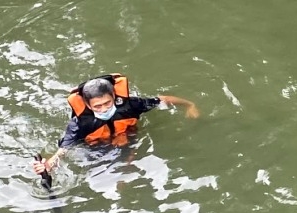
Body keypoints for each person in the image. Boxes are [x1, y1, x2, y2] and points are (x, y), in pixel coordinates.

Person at [34, 73, 198, 185]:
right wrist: (48, 165)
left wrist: (189, 105)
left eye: (107, 103)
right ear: (88, 105)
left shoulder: (129, 106)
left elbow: (162, 100)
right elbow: (63, 150)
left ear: (114, 97)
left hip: (127, 136)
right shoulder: (80, 124)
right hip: (97, 146)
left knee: (128, 159)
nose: (104, 109)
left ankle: (125, 177)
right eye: (97, 106)